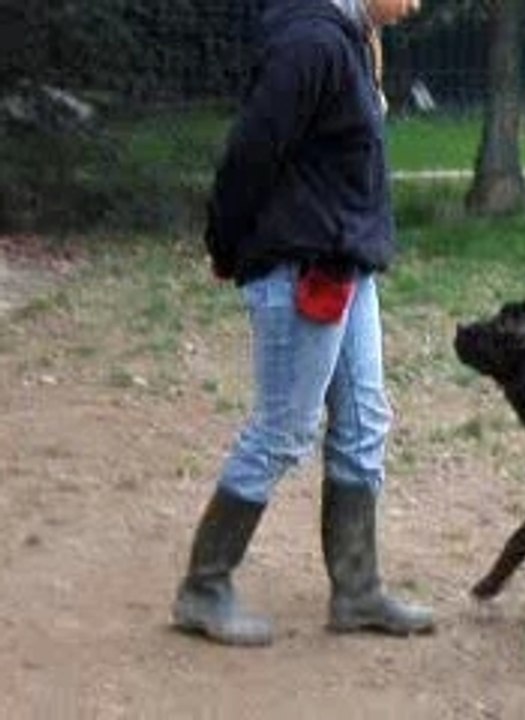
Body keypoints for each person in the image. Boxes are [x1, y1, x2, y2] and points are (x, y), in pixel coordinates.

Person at [171, 0, 433, 646]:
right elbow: (249, 153)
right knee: (284, 428)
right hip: (303, 264)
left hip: (345, 262)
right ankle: (204, 588)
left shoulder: (351, 38)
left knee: (365, 423)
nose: (415, 4)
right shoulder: (311, 43)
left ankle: (357, 590)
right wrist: (226, 245)